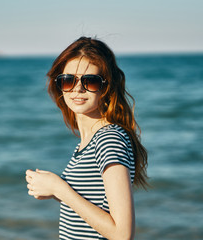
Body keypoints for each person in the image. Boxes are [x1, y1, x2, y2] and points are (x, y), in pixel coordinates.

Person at [25, 36, 148, 240]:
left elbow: (122, 234)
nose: (78, 88)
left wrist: (60, 188)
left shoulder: (109, 140)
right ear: (59, 85)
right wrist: (54, 192)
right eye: (68, 80)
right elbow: (95, 205)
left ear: (106, 87)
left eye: (90, 81)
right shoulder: (89, 142)